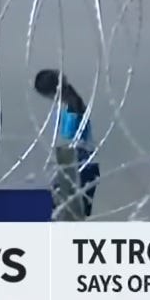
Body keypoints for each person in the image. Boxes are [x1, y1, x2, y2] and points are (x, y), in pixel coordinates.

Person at [34, 69, 101, 221]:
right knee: (68, 214)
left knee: (68, 215)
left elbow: (71, 139)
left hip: (77, 163)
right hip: (82, 162)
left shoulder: (72, 106)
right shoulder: (71, 103)